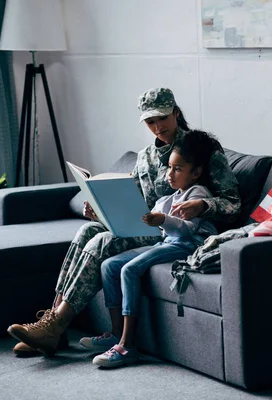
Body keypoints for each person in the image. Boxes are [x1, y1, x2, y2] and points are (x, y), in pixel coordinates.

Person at [7, 88, 241, 356]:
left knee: (103, 242)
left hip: (171, 230)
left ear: (176, 112)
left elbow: (232, 204)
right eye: (150, 122)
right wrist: (102, 211)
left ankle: (56, 325)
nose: (157, 127)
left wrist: (203, 205)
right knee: (87, 230)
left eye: (162, 118)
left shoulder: (200, 149)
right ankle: (52, 325)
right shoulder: (145, 157)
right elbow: (135, 203)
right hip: (144, 223)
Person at [79, 130, 219, 368]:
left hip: (189, 245)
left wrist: (163, 220)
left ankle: (127, 345)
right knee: (110, 265)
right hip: (165, 243)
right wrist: (100, 216)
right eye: (169, 168)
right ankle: (115, 333)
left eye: (177, 169)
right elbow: (140, 225)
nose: (170, 174)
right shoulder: (166, 200)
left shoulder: (197, 194)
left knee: (129, 270)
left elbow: (187, 230)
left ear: (195, 173)